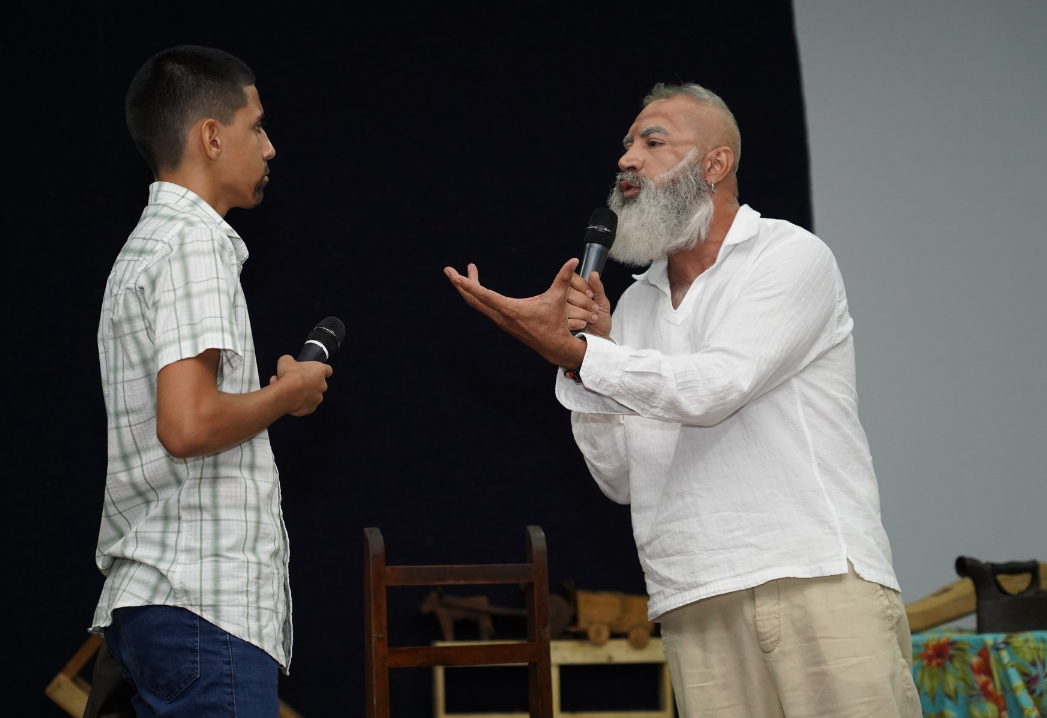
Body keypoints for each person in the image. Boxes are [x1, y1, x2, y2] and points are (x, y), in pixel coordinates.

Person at [444, 83, 921, 717]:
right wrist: (591, 360)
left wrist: (581, 356)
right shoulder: (635, 303)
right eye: (626, 145)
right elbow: (619, 479)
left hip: (811, 575)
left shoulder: (787, 256)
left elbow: (716, 388)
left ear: (716, 165)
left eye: (653, 141)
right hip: (692, 593)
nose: (627, 160)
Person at [88, 45, 332, 717]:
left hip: (159, 604)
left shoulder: (147, 245)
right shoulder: (193, 244)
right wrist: (289, 394)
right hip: (202, 603)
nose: (271, 147)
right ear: (211, 135)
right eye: (256, 126)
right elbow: (188, 425)